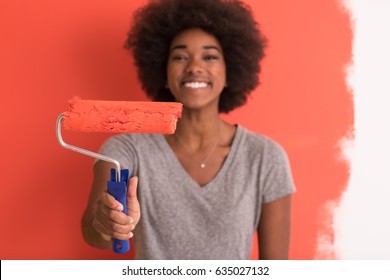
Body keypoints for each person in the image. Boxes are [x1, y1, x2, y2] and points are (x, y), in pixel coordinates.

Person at [81, 0, 295, 260]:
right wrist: (107, 222)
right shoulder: (127, 149)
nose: (194, 67)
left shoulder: (265, 157)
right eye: (180, 56)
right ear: (163, 71)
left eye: (210, 56)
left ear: (231, 72)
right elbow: (95, 235)